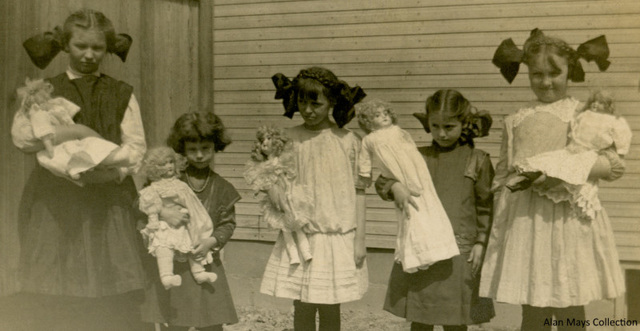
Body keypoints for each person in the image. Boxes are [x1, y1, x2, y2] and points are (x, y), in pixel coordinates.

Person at [9, 9, 147, 330]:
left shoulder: (121, 92)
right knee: (55, 287)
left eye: (97, 48)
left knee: (111, 288)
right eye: (80, 46)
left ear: (107, 49)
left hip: (108, 197)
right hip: (55, 199)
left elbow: (136, 147)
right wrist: (75, 133)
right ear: (65, 46)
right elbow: (22, 138)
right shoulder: (43, 91)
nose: (88, 55)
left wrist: (110, 173)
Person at [481, 28, 626, 330]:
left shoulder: (583, 114)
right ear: (528, 74)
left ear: (569, 71)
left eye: (554, 73)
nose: (546, 82)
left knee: (570, 298)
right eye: (537, 74)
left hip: (568, 221)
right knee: (534, 305)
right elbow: (504, 174)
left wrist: (561, 173)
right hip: (526, 223)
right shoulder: (515, 119)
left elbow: (612, 166)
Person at [375, 89, 495, 331]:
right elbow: (382, 180)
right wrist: (395, 186)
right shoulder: (417, 156)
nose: (442, 133)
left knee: (457, 320)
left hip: (460, 253)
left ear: (464, 123)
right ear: (428, 125)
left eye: (449, 126)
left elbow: (486, 205)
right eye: (436, 126)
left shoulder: (477, 159)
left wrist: (482, 243)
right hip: (423, 251)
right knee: (422, 318)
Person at [261, 66, 368, 330]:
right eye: (301, 102)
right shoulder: (290, 139)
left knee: (331, 304)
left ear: (331, 101)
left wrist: (360, 240)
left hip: (336, 234)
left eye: (315, 103)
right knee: (303, 303)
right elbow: (274, 180)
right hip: (302, 236)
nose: (307, 110)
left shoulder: (348, 141)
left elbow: (359, 191)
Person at [140, 112, 240, 331]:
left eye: (206, 148)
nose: (200, 155)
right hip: (176, 262)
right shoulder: (166, 181)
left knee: (211, 321)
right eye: (192, 149)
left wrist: (210, 242)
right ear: (182, 149)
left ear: (215, 147)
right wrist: (164, 212)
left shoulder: (222, 187)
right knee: (176, 319)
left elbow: (228, 223)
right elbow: (144, 204)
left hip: (203, 257)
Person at [356, 99, 459, 273]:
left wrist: (418, 165)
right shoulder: (369, 140)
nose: (384, 117)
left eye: (386, 113)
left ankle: (436, 246)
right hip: (394, 171)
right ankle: (418, 253)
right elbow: (364, 159)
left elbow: (410, 148)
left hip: (413, 166)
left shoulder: (398, 131)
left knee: (425, 203)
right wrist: (365, 174)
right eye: (377, 115)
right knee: (409, 213)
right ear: (368, 122)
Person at [506, 90, 632, 220]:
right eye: (593, 101)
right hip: (573, 149)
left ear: (608, 106)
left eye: (600, 103)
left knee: (571, 170)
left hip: (590, 152)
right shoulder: (584, 115)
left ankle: (543, 179)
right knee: (551, 159)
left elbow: (622, 137)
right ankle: (529, 173)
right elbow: (574, 129)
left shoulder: (613, 121)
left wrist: (621, 150)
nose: (595, 104)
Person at [14, 77, 132, 182]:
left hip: (63, 147)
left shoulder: (50, 108)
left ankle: (107, 162)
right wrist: (48, 144)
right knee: (82, 146)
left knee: (80, 153)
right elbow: (43, 129)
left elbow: (66, 111)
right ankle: (109, 156)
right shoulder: (37, 113)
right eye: (42, 100)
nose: (46, 102)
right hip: (52, 146)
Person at [138, 147, 218, 290]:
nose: (169, 166)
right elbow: (149, 203)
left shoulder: (181, 185)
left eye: (171, 162)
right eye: (163, 164)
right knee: (163, 245)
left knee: (192, 243)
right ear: (155, 168)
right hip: (164, 224)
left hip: (183, 224)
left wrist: (193, 218)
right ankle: (166, 276)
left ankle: (199, 273)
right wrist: (154, 219)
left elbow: (191, 202)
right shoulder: (153, 187)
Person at [244, 126, 313, 265]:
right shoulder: (261, 165)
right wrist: (264, 188)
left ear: (276, 142)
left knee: (296, 222)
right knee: (284, 227)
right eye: (262, 140)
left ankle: (306, 252)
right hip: (274, 195)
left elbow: (290, 173)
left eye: (269, 139)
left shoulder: (282, 160)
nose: (265, 143)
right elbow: (259, 180)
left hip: (288, 193)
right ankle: (293, 255)